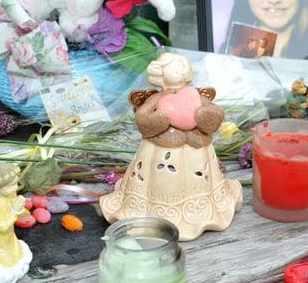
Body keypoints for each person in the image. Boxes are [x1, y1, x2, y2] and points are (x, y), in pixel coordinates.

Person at [100, 53, 243, 241]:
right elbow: (142, 117)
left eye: (181, 68)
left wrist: (202, 114)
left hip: (195, 147)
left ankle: (197, 210)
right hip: (160, 147)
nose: (179, 72)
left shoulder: (194, 95)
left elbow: (215, 111)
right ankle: (155, 209)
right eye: (173, 69)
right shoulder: (158, 98)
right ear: (160, 75)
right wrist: (162, 118)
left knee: (196, 171)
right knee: (160, 177)